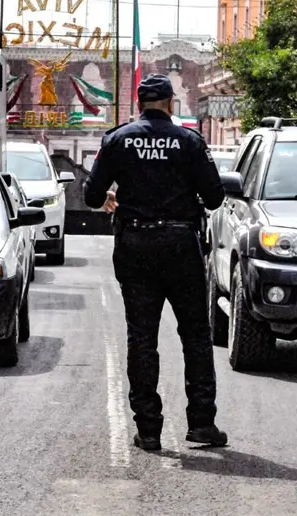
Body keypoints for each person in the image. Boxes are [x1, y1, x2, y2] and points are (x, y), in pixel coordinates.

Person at [83, 74, 227, 451]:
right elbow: (214, 198)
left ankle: (148, 430)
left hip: (136, 244)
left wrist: (114, 195)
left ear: (139, 103)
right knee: (195, 336)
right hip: (181, 245)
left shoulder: (117, 139)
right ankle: (201, 424)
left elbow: (91, 194)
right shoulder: (190, 141)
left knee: (142, 336)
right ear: (169, 103)